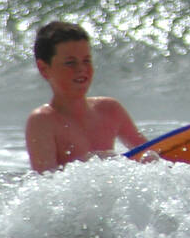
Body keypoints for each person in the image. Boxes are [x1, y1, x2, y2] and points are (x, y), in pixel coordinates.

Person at [24, 21, 153, 172]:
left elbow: (152, 156)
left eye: (86, 61)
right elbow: (45, 184)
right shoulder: (43, 121)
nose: (81, 69)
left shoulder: (110, 109)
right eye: (70, 63)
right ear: (44, 68)